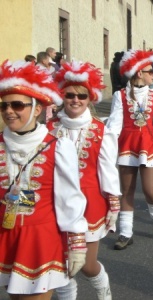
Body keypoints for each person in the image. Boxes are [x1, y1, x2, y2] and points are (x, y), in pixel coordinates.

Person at [0, 60, 88, 298]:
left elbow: (69, 198)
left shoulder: (59, 146)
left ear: (37, 109)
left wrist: (77, 241)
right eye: (4, 106)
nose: (9, 111)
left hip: (41, 240)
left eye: (17, 105)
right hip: (5, 236)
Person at [49, 61, 121, 300]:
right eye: (70, 94)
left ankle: (104, 291)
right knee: (60, 265)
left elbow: (108, 169)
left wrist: (113, 201)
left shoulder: (101, 130)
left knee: (87, 265)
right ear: (62, 96)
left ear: (90, 98)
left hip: (90, 204)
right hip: (53, 203)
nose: (76, 100)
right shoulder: (48, 129)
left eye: (82, 95)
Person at [106, 49, 153, 250]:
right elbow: (114, 124)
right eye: (149, 71)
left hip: (147, 147)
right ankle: (125, 233)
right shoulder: (120, 96)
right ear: (138, 73)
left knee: (149, 190)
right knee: (126, 190)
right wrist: (107, 146)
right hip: (127, 147)